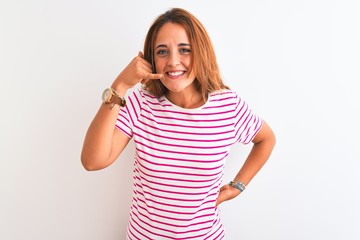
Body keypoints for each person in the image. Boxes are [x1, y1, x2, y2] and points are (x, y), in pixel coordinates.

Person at [81, 7, 276, 240]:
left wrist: (238, 186)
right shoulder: (141, 104)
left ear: (201, 52)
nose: (173, 61)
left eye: (184, 50)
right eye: (162, 51)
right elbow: (93, 161)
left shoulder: (229, 106)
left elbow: (266, 139)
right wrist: (120, 85)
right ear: (151, 59)